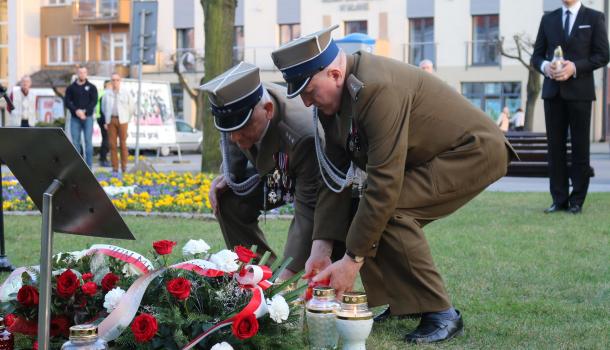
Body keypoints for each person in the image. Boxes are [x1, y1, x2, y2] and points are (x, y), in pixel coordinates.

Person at [271, 25, 516, 344]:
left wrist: (351, 261)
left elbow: (384, 183)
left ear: (333, 74)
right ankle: (405, 303)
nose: (306, 103)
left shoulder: (377, 88)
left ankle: (442, 313)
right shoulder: (332, 102)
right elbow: (334, 179)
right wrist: (322, 246)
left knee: (390, 208)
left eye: (310, 92)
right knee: (366, 212)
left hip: (472, 151)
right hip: (432, 156)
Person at [201, 62, 333, 280]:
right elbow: (231, 137)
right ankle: (259, 274)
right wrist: (229, 176)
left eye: (242, 129)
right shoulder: (244, 107)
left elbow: (308, 210)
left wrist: (288, 273)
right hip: (275, 168)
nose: (236, 138)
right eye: (231, 130)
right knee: (228, 199)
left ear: (268, 110)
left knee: (317, 232)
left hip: (318, 178)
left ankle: (279, 280)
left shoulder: (302, 136)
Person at [531, 0, 609, 214]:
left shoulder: (594, 18)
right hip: (552, 94)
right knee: (555, 149)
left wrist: (575, 67)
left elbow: (603, 55)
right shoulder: (548, 19)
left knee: (580, 149)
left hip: (580, 94)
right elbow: (536, 57)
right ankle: (559, 200)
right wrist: (546, 66)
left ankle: (577, 201)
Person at [64, 67, 98, 168]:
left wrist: (85, 111)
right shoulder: (71, 88)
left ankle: (89, 167)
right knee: (75, 143)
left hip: (88, 118)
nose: (82, 74)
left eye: (84, 72)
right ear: (77, 74)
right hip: (75, 119)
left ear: (86, 74)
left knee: (88, 142)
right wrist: (76, 111)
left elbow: (94, 101)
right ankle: (78, 167)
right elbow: (67, 102)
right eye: (80, 72)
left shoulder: (92, 87)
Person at [102, 73, 135, 174]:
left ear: (120, 81)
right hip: (111, 120)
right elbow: (103, 107)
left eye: (117, 80)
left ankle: (124, 167)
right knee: (112, 145)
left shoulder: (126, 93)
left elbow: (131, 108)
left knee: (123, 144)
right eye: (113, 80)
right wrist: (107, 120)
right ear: (111, 81)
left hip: (123, 121)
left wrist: (127, 119)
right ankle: (115, 168)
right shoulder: (107, 94)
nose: (115, 82)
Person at [97, 80, 112, 167]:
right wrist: (105, 122)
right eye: (110, 84)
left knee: (106, 139)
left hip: (101, 118)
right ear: (106, 85)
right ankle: (103, 159)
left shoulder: (102, 93)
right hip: (103, 119)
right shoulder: (105, 94)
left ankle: (103, 158)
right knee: (106, 139)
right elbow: (104, 109)